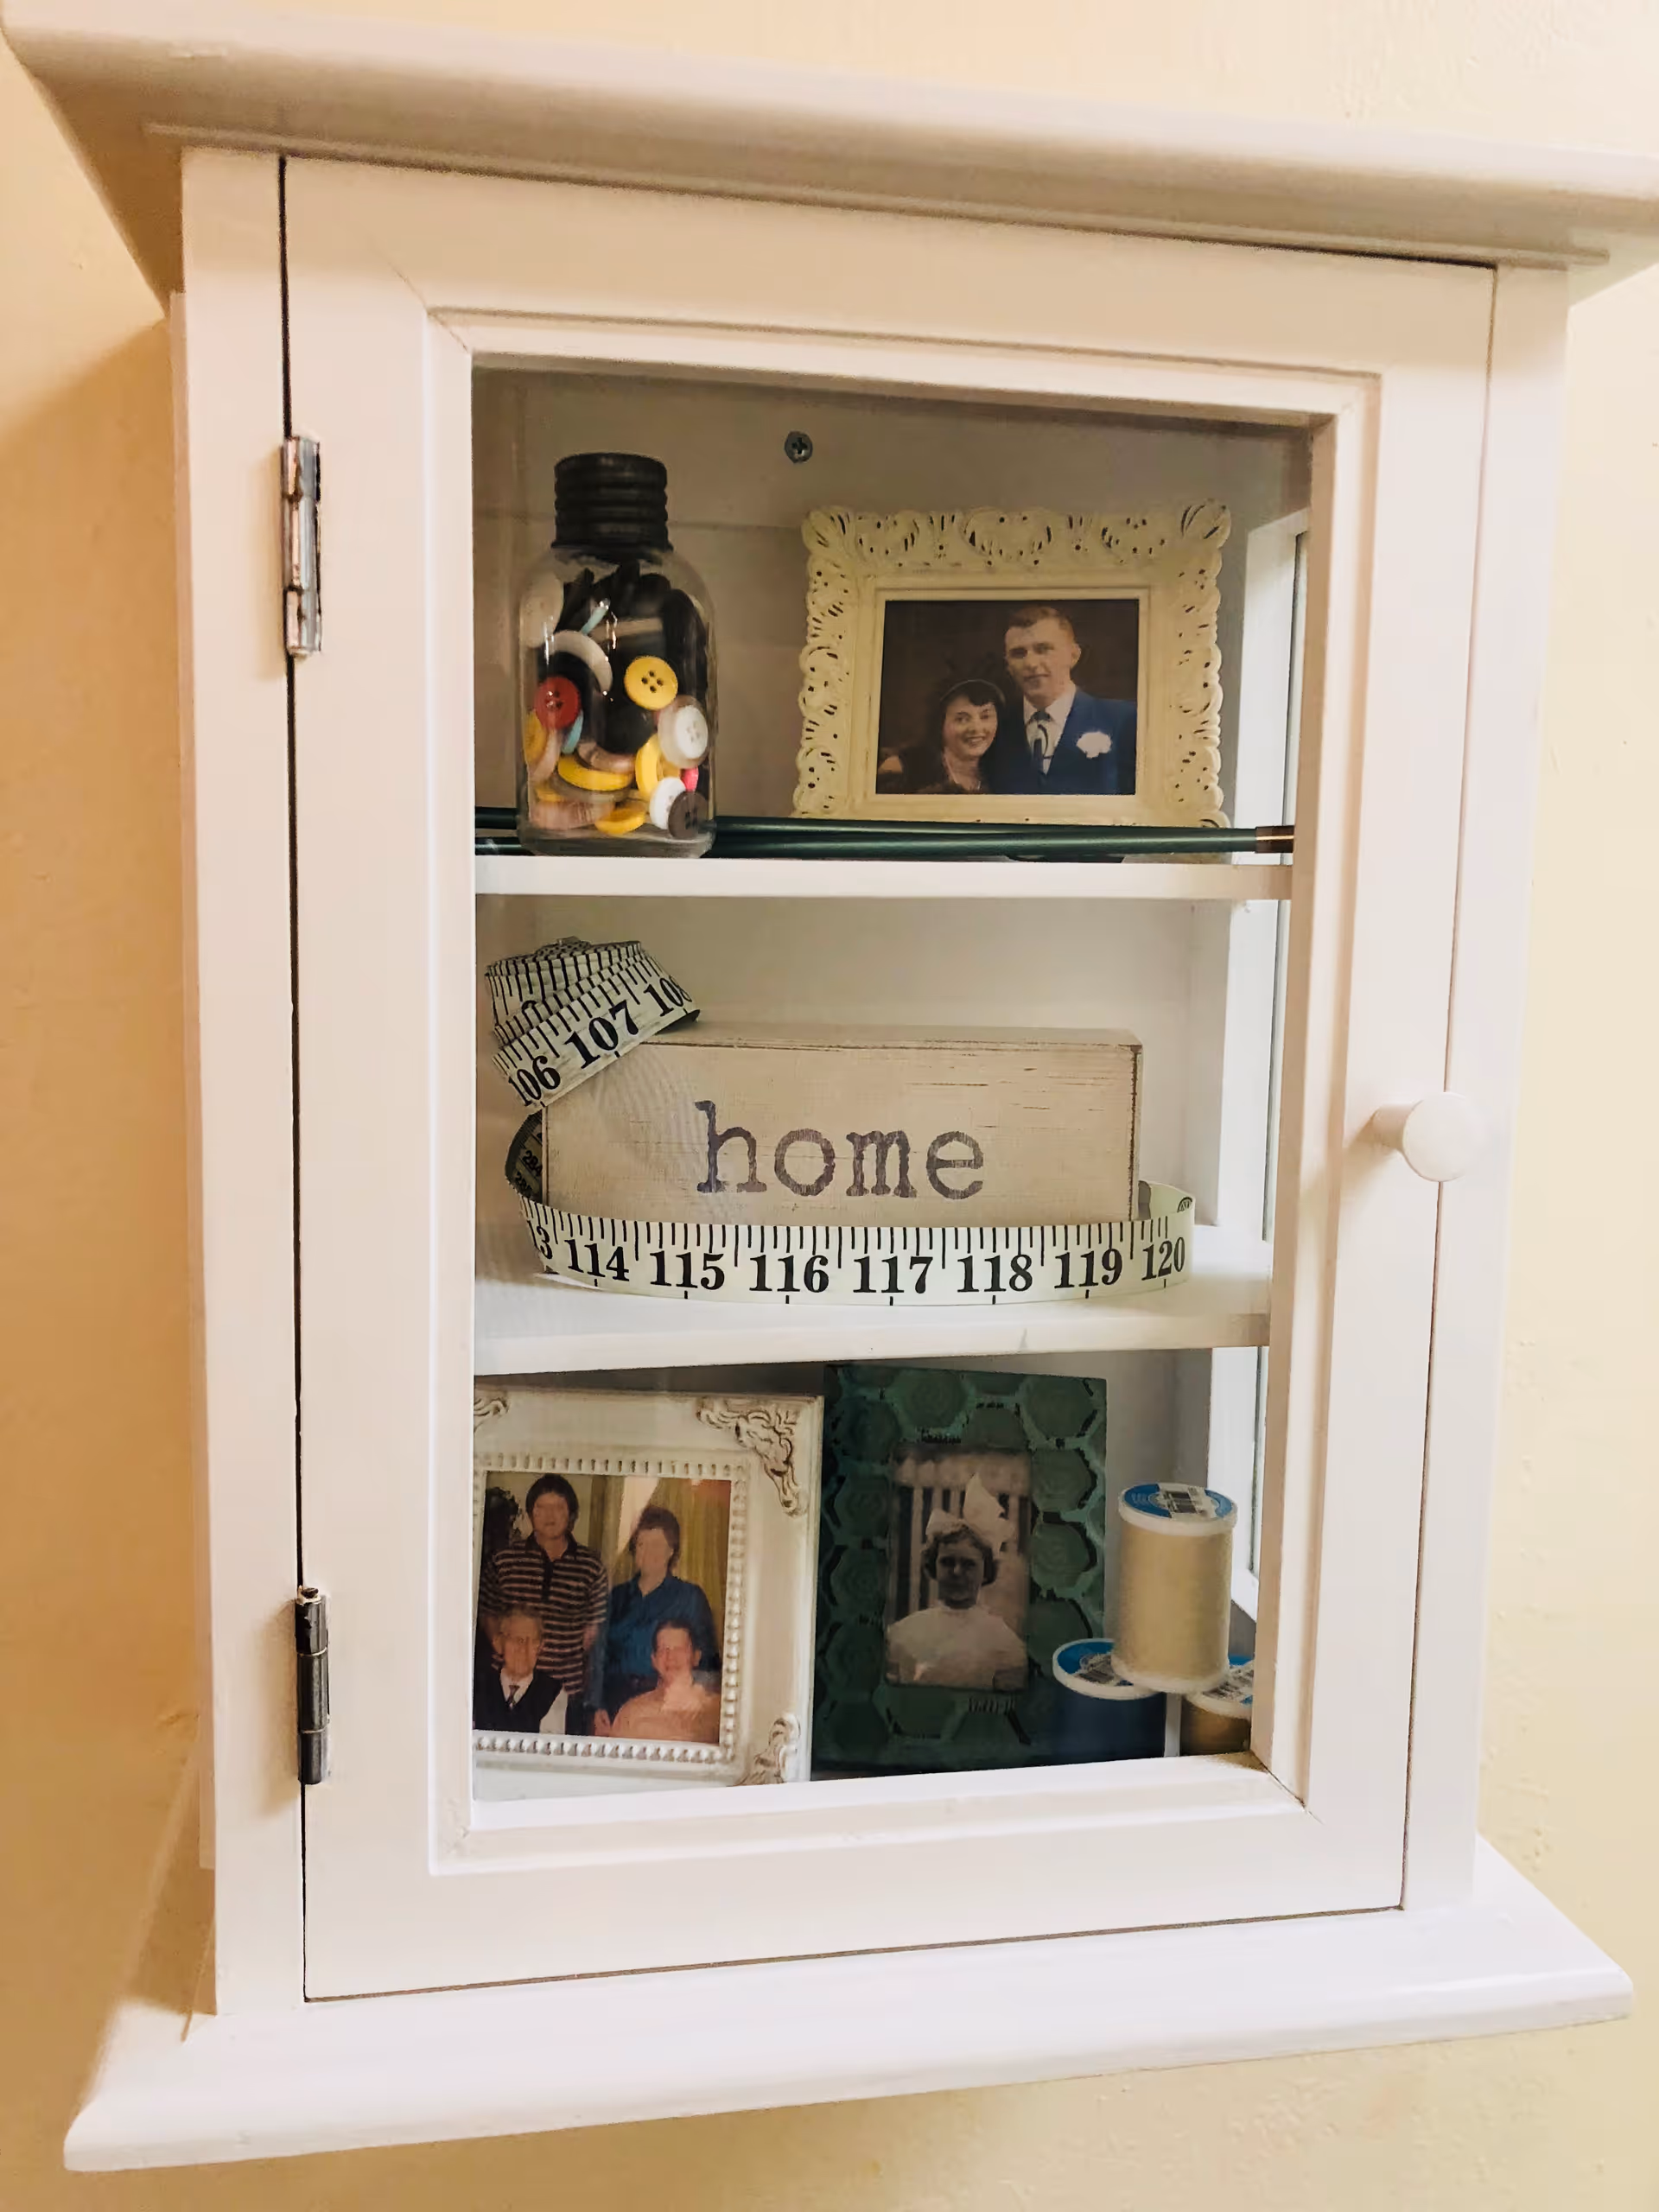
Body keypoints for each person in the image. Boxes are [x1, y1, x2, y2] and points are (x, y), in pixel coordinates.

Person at [476, 1471, 608, 1733]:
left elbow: (592, 1629)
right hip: (507, 1688)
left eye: (558, 1507)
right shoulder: (504, 1560)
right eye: (541, 1507)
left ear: (571, 1514)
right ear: (529, 1513)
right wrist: (512, 1652)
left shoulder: (590, 1566)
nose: (550, 1515)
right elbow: (488, 1614)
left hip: (565, 1689)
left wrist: (555, 1655)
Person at [982, 603, 1137, 796]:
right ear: (1008, 666)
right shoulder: (994, 730)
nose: (1031, 663)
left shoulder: (1125, 720)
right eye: (1018, 653)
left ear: (1073, 655)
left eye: (1043, 649)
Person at [595, 1503, 721, 1724]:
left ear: (671, 1550)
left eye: (657, 1544)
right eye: (641, 1544)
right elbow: (600, 1656)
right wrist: (597, 1706)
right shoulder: (618, 1596)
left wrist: (697, 1693)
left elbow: (709, 1662)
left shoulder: (690, 1597)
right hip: (614, 1703)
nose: (647, 1552)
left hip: (665, 1703)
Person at [886, 1515, 1029, 1692]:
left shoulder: (1002, 1640)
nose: (956, 1572)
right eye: (947, 1562)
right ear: (934, 1566)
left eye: (969, 1564)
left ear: (985, 1572)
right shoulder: (905, 1631)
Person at [876, 677, 1004, 796]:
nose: (976, 728)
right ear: (940, 724)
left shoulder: (1003, 773)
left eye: (985, 717)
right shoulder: (903, 769)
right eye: (962, 719)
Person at [603, 1619, 721, 1745]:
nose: (671, 1657)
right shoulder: (631, 1712)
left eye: (679, 1649)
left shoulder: (718, 1710)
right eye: (664, 1650)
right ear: (654, 1660)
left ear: (696, 1657)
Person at [473, 1608, 563, 1733]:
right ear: (498, 1643)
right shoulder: (478, 1686)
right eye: (516, 1639)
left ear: (541, 1646)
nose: (523, 1649)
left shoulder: (555, 1692)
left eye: (532, 1641)